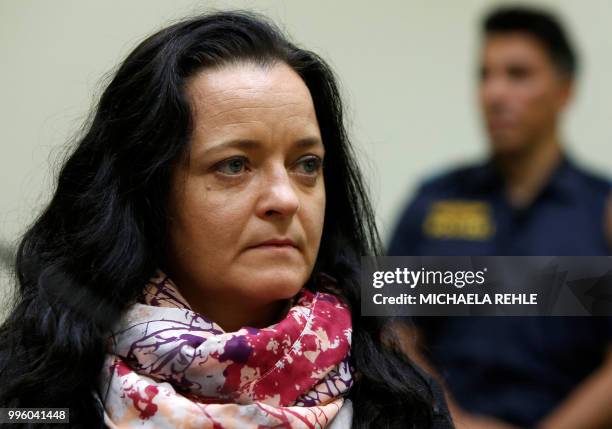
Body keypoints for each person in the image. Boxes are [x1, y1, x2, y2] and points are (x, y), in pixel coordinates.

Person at [0, 11, 453, 429]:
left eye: (307, 164)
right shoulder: (34, 393)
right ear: (145, 191)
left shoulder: (400, 399)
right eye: (235, 165)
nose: (285, 198)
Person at [389, 6, 612, 429]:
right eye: (485, 75)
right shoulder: (434, 201)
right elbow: (392, 334)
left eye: (518, 74)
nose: (495, 93)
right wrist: (455, 421)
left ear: (564, 91)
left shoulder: (602, 211)